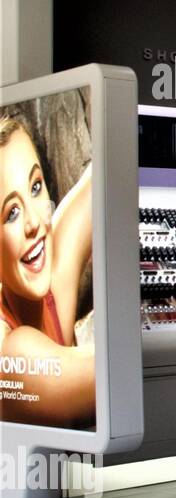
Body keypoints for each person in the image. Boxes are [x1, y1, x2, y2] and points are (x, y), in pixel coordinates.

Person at [0, 117, 95, 428]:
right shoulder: (11, 355)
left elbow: (109, 172)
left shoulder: (51, 282)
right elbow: (119, 368)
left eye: (36, 187)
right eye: (11, 212)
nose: (34, 223)